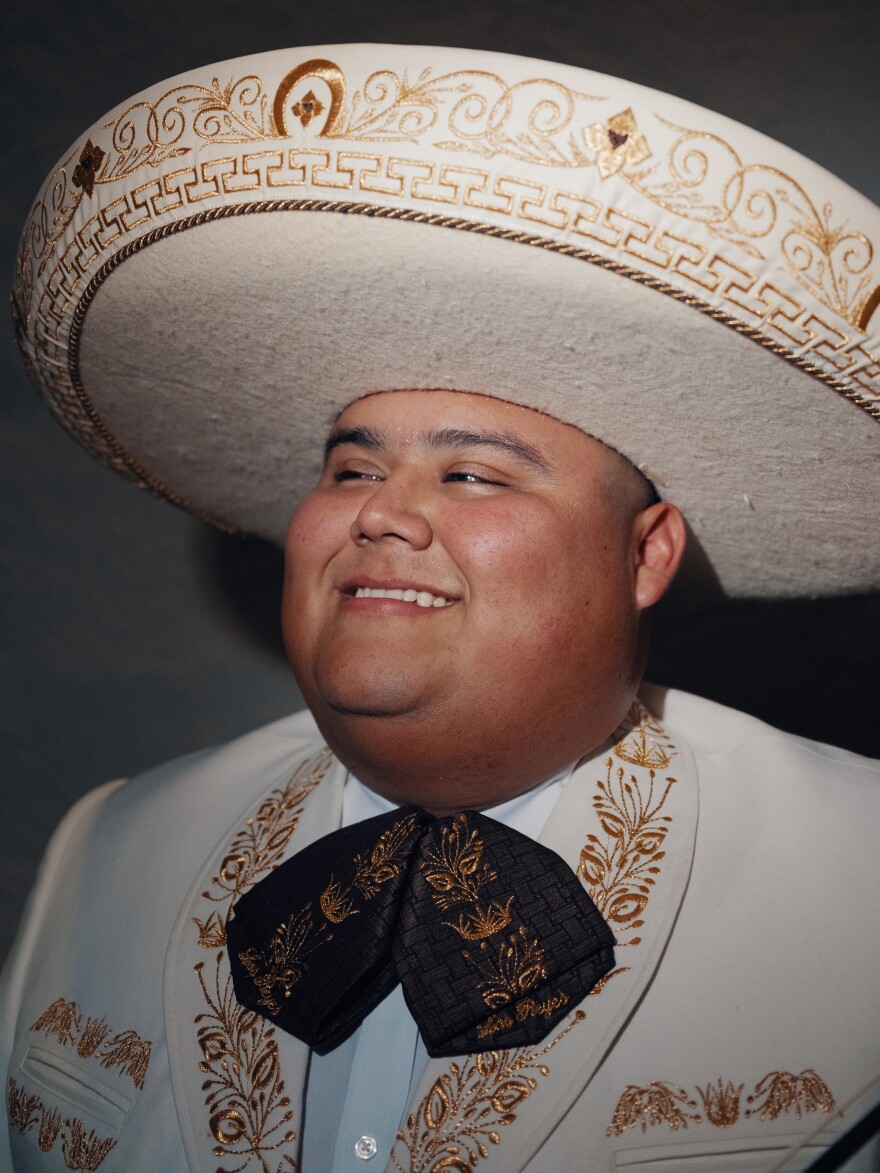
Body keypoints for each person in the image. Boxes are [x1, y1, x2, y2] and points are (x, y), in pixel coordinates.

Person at [3, 42, 879, 1173]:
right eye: (351, 471)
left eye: (472, 476)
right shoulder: (107, 848)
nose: (382, 516)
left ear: (645, 555)